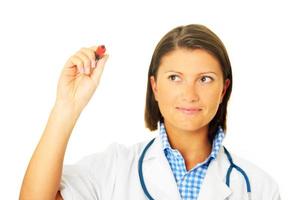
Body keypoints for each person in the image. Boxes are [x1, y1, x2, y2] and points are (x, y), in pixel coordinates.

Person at [20, 24, 281, 200]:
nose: (189, 94)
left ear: (224, 89)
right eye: (175, 77)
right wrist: (67, 106)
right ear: (154, 86)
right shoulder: (115, 168)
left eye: (205, 79)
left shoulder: (258, 188)